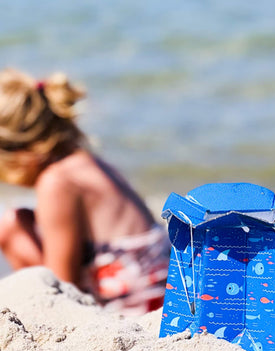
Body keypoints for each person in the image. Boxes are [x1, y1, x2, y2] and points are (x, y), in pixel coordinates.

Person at [0, 68, 171, 315]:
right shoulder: (86, 163)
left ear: (16, 152)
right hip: (162, 289)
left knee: (13, 227)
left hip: (137, 307)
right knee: (25, 220)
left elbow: (62, 284)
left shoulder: (57, 181)